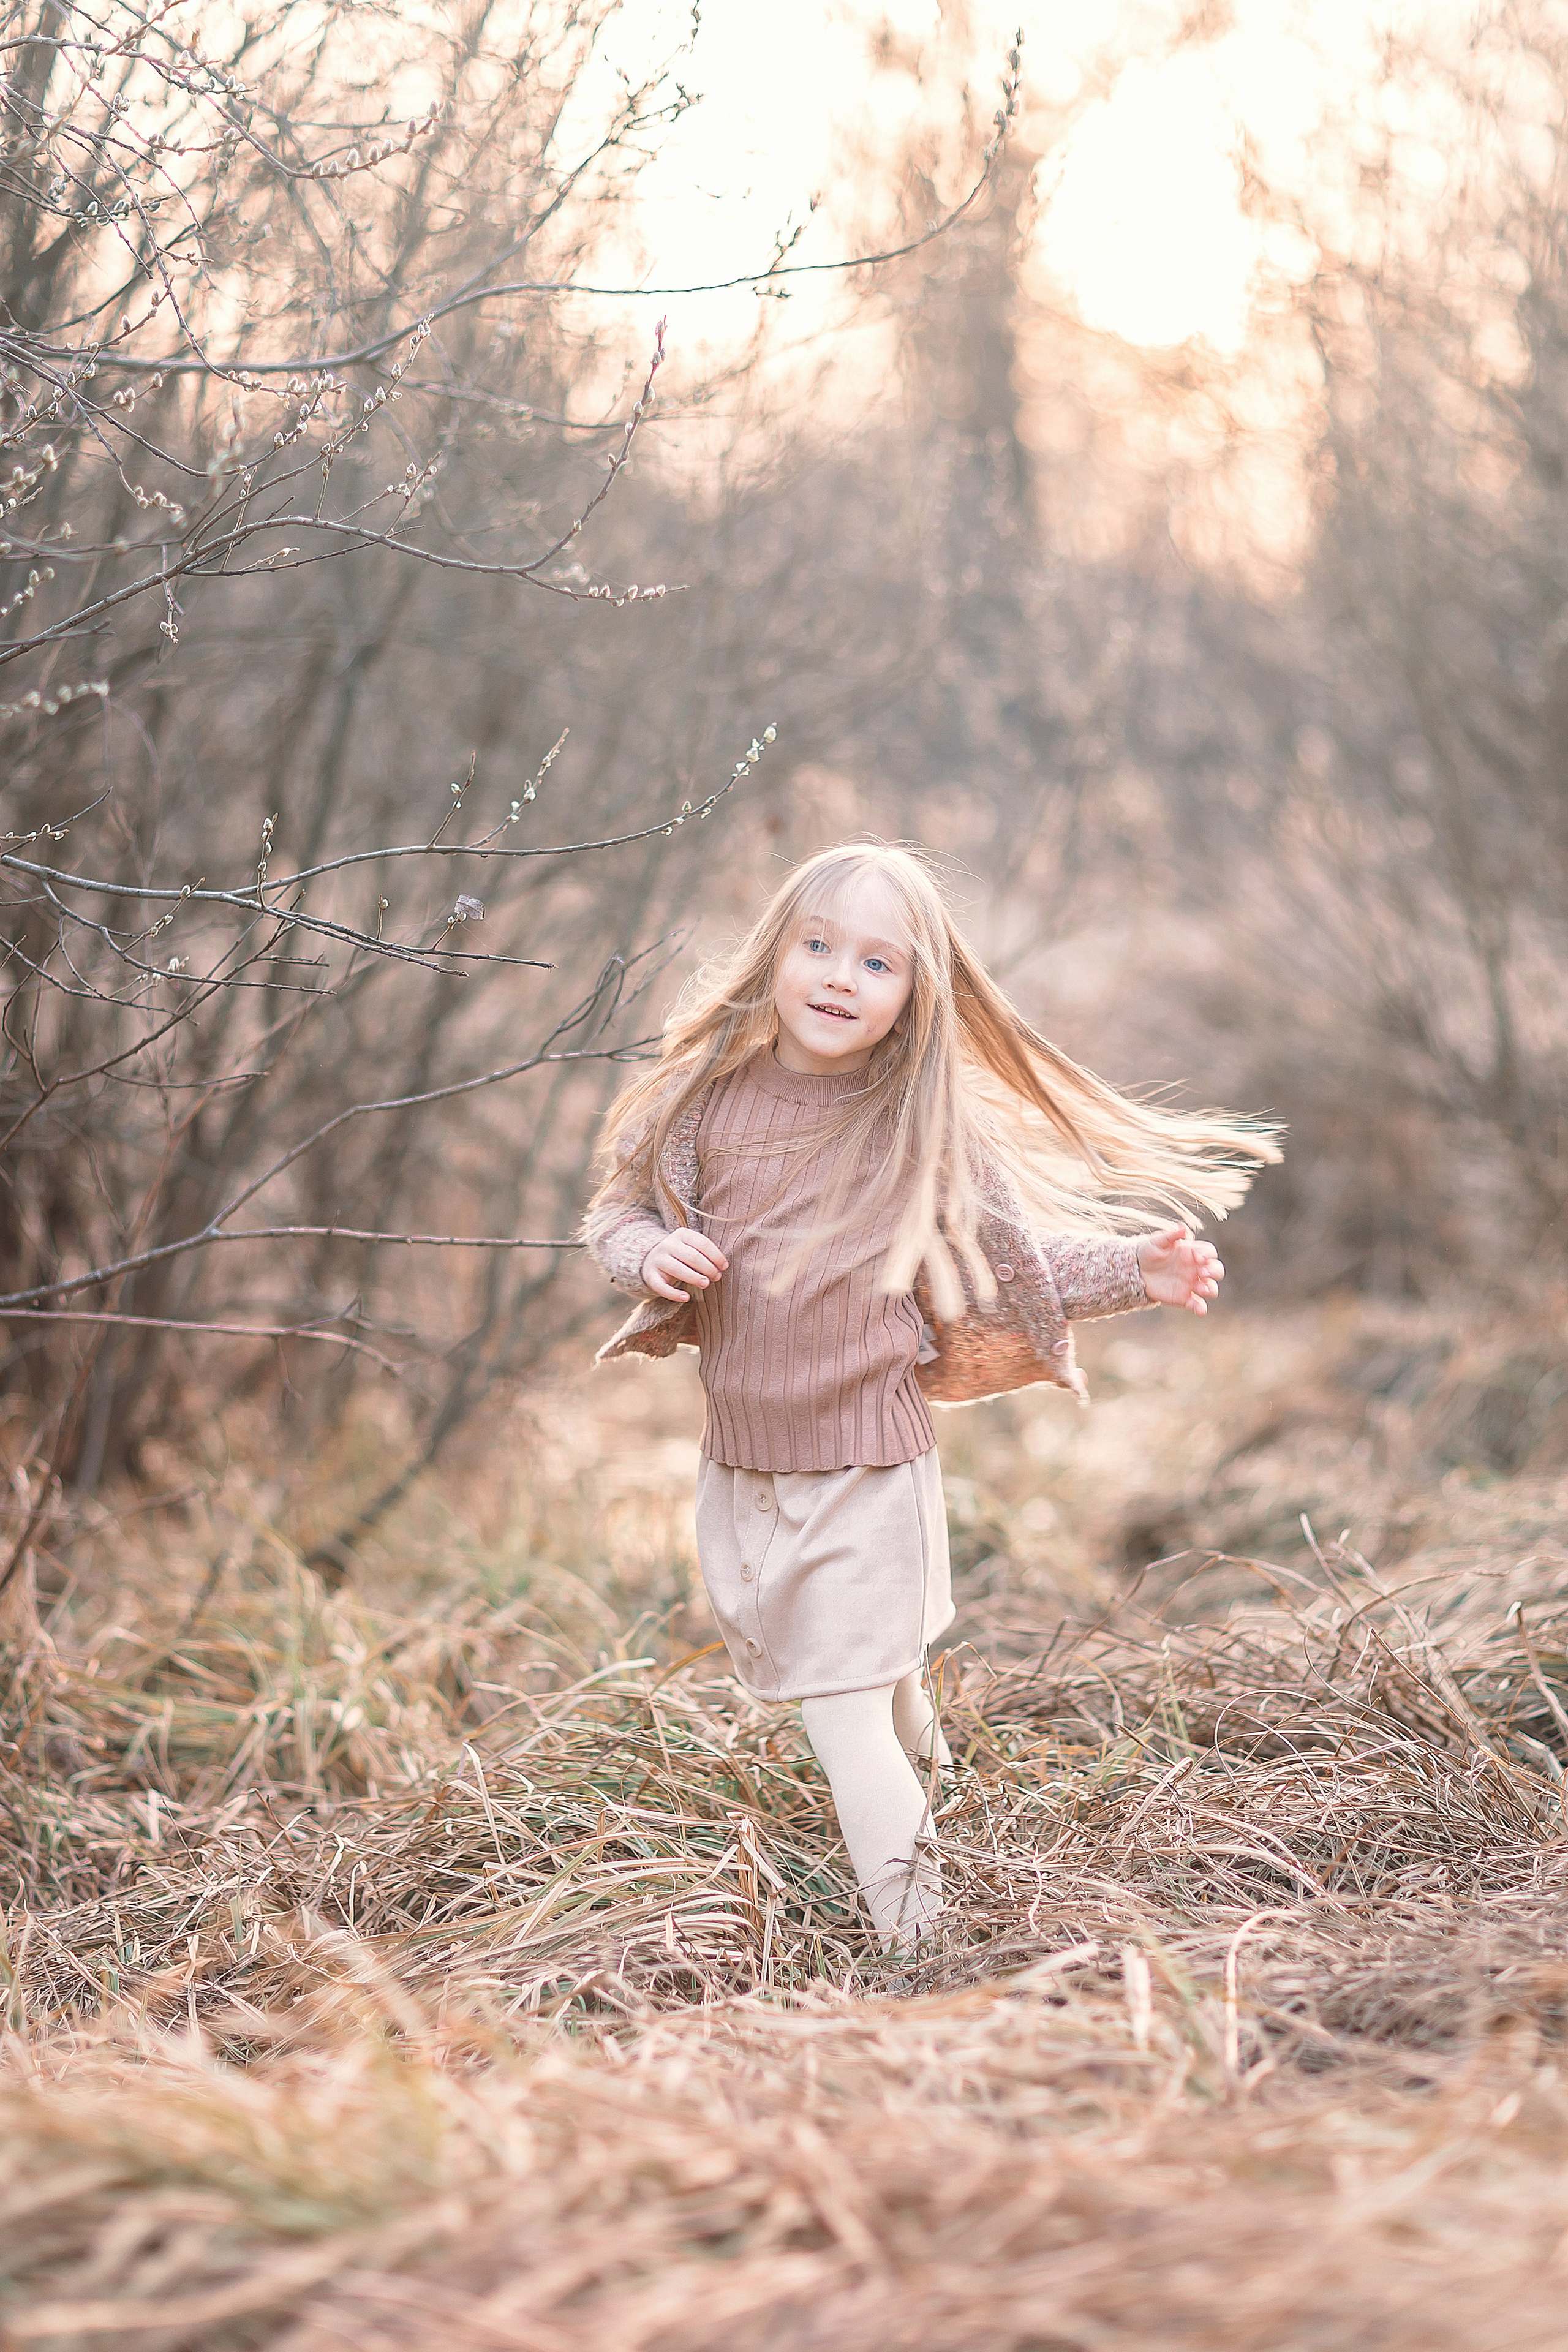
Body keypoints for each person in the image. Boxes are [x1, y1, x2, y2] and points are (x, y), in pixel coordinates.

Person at [584, 844, 1279, 1951]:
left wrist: (1135, 1273)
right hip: (745, 1467)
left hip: (872, 1467)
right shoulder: (701, 1105)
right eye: (817, 946)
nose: (838, 976)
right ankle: (959, 1816)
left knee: (842, 1706)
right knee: (885, 1681)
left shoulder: (908, 1125)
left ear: (915, 996)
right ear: (775, 953)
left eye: (876, 962)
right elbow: (617, 1212)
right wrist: (650, 1253)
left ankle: (926, 1949)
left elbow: (1012, 1258)